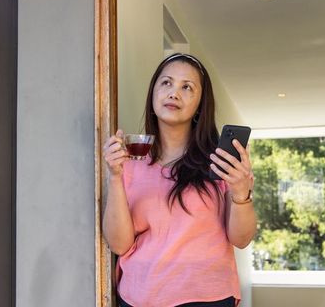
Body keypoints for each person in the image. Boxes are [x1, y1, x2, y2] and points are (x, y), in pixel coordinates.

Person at [102, 53, 257, 307]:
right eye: (166, 83)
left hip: (208, 297)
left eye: (187, 87)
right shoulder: (129, 160)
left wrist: (241, 193)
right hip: (140, 297)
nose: (174, 93)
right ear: (153, 94)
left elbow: (241, 239)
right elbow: (120, 245)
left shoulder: (220, 163)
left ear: (200, 105)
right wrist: (116, 176)